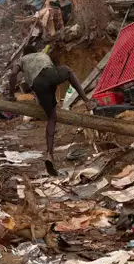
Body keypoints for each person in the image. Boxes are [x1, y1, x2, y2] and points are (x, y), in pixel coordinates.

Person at [6, 46, 96, 176]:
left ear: (25, 54)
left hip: (38, 84)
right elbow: (52, 79)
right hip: (50, 75)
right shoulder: (42, 55)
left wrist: (10, 94)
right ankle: (86, 100)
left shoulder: (22, 60)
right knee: (68, 72)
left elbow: (13, 74)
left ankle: (49, 154)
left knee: (51, 118)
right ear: (35, 51)